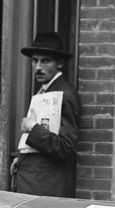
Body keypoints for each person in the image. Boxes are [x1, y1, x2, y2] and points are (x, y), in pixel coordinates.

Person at [10, 31, 81, 198]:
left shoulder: (65, 95)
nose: (38, 67)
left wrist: (33, 128)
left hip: (47, 187)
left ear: (60, 64)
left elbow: (66, 147)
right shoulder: (45, 91)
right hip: (35, 183)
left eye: (45, 61)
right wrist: (21, 159)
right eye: (35, 61)